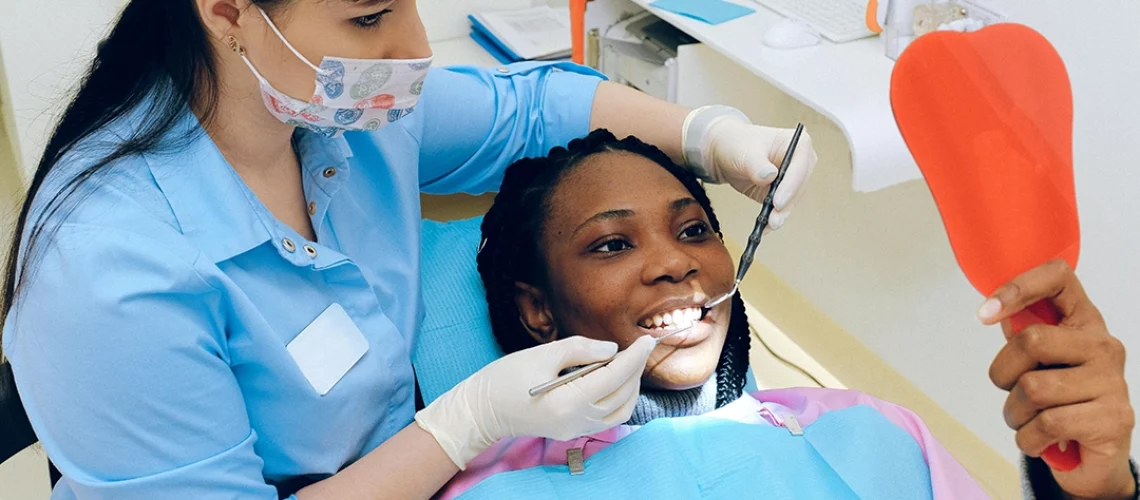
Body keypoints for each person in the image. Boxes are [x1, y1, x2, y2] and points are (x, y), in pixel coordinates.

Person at [0, 1, 819, 499]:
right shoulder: (106, 270)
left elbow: (529, 112)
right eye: (367, 16)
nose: (412, 46)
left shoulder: (353, 115)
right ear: (226, 11)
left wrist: (710, 136)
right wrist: (463, 427)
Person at [466, 129, 1137, 499]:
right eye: (613, 243)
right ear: (537, 311)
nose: (676, 262)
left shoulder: (874, 434)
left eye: (695, 230)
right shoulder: (492, 491)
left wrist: (1099, 490)